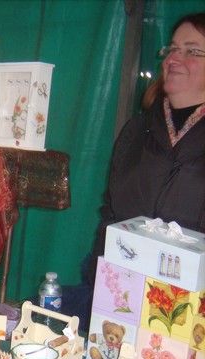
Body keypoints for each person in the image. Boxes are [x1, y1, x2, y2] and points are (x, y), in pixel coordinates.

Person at [89, 12, 205, 281]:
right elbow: (111, 211)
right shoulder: (137, 130)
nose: (174, 59)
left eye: (192, 51)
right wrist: (99, 274)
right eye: (173, 48)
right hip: (123, 289)